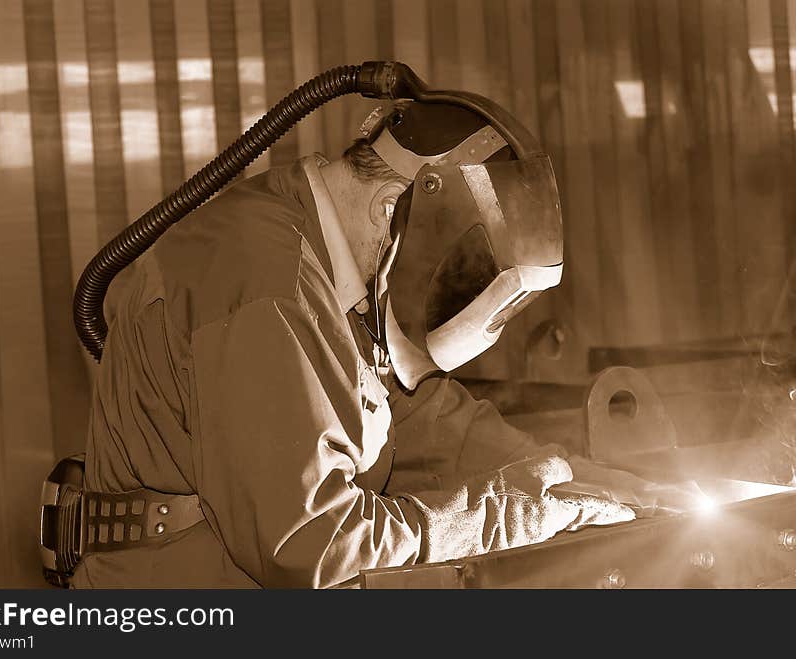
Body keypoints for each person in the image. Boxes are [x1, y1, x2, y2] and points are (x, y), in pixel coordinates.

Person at [70, 101, 654, 589]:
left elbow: (407, 416)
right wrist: (509, 515)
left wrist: (562, 476)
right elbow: (315, 545)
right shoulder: (268, 278)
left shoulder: (330, 268)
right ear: (392, 210)